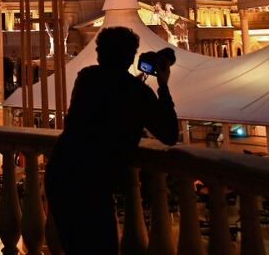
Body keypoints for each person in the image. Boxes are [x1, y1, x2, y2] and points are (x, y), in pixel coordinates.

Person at [45, 26, 179, 254]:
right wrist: (163, 86)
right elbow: (169, 134)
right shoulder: (136, 92)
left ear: (99, 54)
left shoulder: (86, 77)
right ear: (130, 56)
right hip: (92, 184)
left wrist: (134, 85)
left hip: (61, 173)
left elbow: (106, 97)